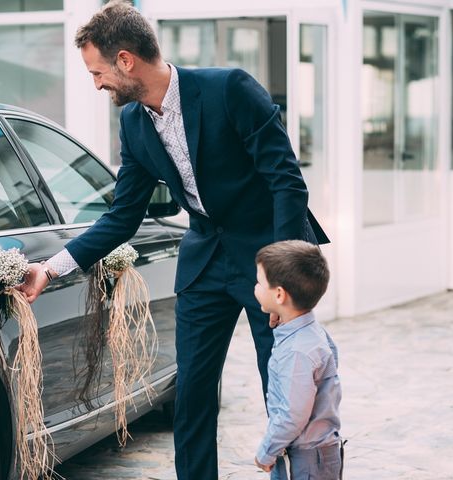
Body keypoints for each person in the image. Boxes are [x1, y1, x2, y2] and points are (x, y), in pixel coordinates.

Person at [18, 2, 329, 478]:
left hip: (269, 264)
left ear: (125, 60)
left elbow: (287, 182)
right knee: (193, 397)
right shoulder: (134, 124)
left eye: (97, 71)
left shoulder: (229, 89)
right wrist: (51, 268)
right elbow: (122, 217)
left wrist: (281, 275)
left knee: (284, 391)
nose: (96, 83)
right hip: (204, 263)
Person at [253, 240, 342, 480]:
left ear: (280, 294)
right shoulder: (312, 332)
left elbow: (293, 414)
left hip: (306, 458)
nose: (256, 287)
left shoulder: (297, 352)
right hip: (314, 453)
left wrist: (267, 450)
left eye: (260, 282)